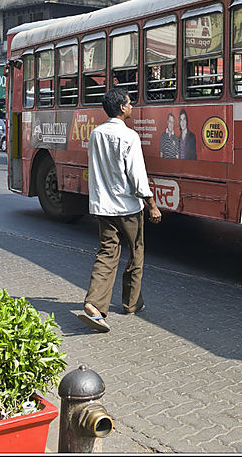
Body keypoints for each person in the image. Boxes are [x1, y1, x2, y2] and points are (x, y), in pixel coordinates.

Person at [78, 88, 162, 333]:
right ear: (122, 108)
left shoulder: (96, 134)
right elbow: (138, 177)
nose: (132, 107)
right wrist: (152, 206)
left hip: (104, 207)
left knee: (107, 254)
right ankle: (131, 303)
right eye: (129, 103)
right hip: (127, 207)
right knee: (136, 252)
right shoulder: (130, 137)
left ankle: (94, 304)